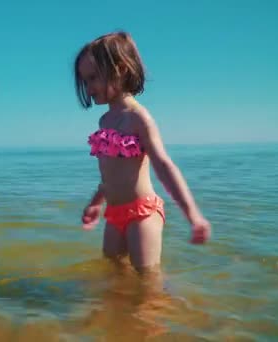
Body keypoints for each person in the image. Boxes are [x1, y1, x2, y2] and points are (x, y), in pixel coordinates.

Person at [74, 31, 211, 272]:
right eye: (85, 80)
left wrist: (193, 215)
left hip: (142, 213)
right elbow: (110, 174)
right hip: (114, 214)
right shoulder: (104, 122)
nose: (89, 86)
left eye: (93, 77)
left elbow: (164, 166)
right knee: (113, 273)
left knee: (147, 280)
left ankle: (165, 307)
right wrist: (96, 203)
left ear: (120, 70)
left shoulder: (138, 118)